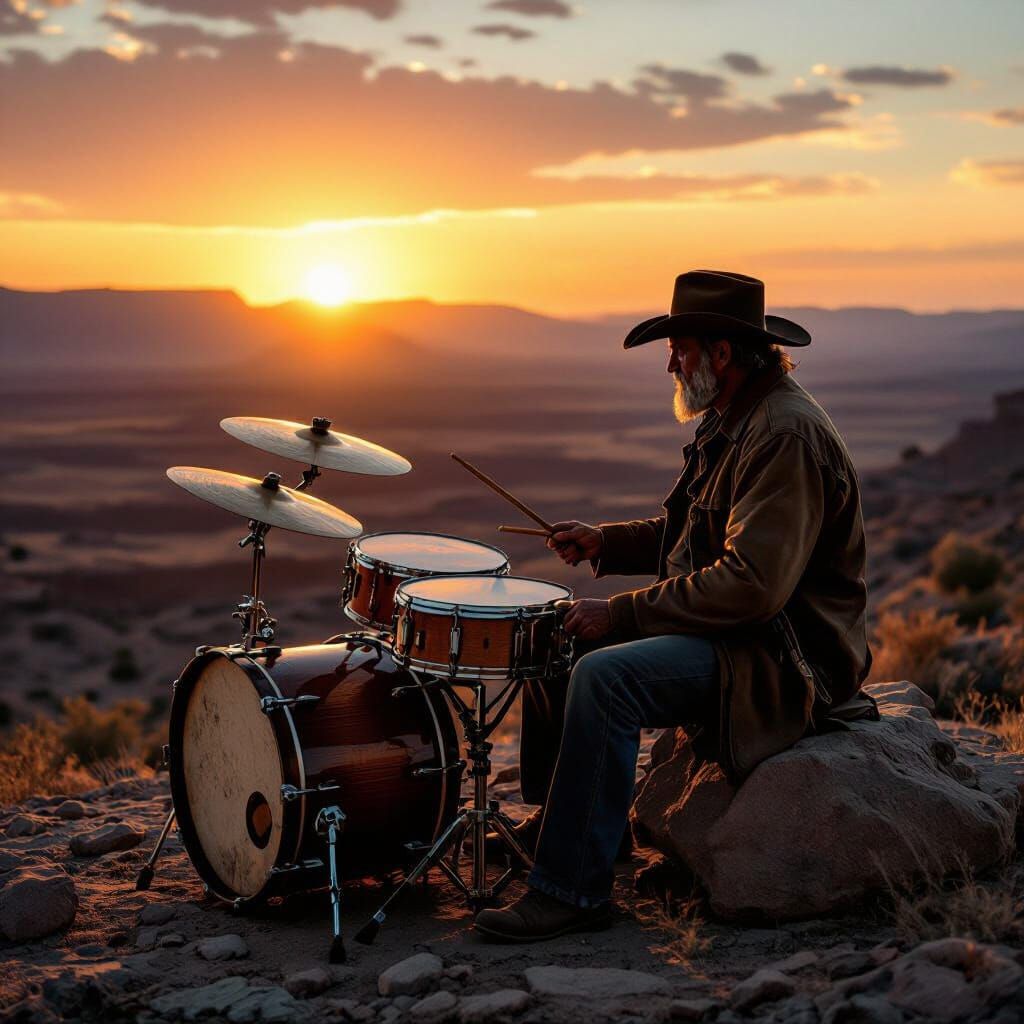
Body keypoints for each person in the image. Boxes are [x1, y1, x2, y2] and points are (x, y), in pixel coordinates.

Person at [474, 269, 874, 943]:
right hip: (741, 632)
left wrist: (623, 614)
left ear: (723, 354)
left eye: (679, 348)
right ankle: (567, 829)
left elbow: (750, 586)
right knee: (555, 633)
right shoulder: (738, 418)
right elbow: (694, 538)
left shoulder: (782, 435)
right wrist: (607, 541)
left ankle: (572, 893)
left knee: (605, 674)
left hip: (781, 657)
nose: (669, 363)